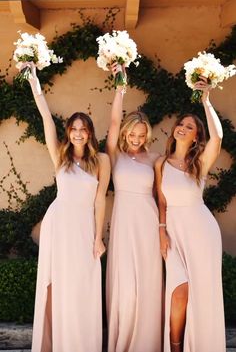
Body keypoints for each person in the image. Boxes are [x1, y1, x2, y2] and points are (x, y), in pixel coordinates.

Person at [23, 63, 110, 352]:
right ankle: (58, 343)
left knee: (83, 284)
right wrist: (35, 83)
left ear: (89, 133)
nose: (77, 134)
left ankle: (83, 344)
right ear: (68, 132)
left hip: (85, 226)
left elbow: (99, 200)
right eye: (73, 129)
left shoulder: (101, 161)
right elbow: (47, 119)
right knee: (59, 284)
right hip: (59, 224)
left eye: (83, 130)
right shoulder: (60, 157)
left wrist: (98, 238)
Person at [155, 77, 226, 352]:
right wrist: (161, 230)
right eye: (181, 125)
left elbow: (218, 137)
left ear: (196, 135)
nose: (183, 128)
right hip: (173, 232)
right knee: (179, 289)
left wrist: (206, 100)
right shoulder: (161, 163)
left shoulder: (199, 164)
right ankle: (175, 348)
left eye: (189, 127)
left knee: (203, 294)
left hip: (202, 231)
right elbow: (160, 199)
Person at [106, 64, 163, 352]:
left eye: (142, 135)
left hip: (149, 224)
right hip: (123, 223)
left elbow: (163, 196)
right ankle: (124, 341)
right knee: (126, 287)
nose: (137, 139)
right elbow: (113, 123)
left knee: (149, 282)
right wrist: (120, 86)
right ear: (126, 132)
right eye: (133, 134)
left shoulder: (155, 158)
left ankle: (147, 344)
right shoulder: (114, 155)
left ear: (147, 135)